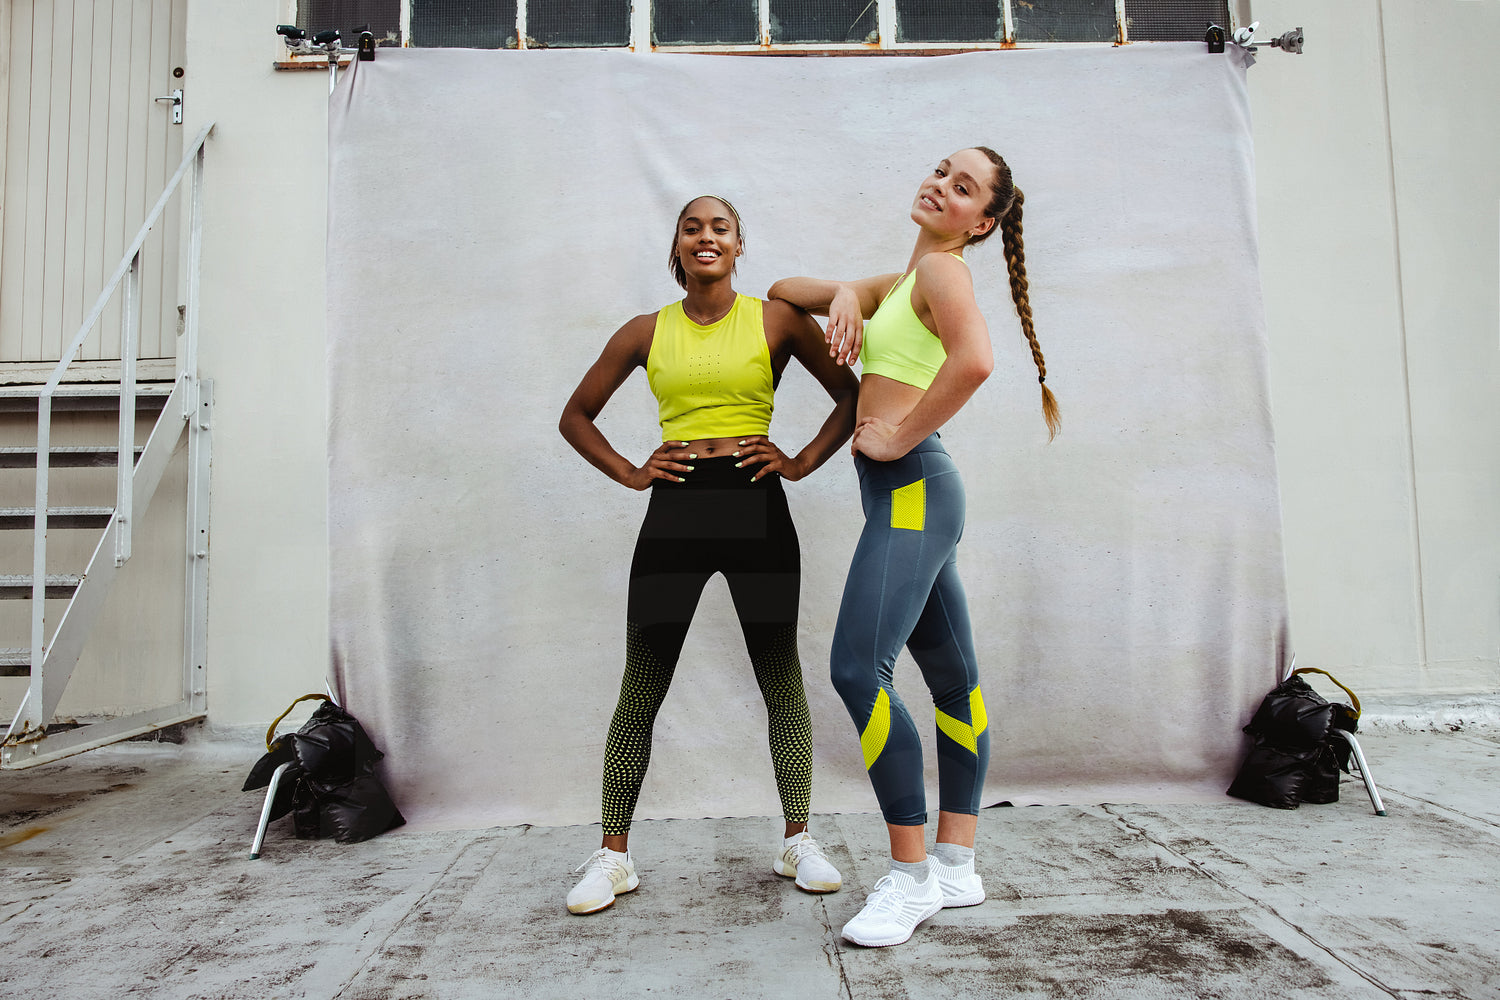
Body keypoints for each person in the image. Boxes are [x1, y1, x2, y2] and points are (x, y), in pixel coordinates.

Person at [768, 147, 1058, 947]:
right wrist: (847, 296)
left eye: (963, 188)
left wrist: (897, 436)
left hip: (914, 489)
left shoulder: (940, 272)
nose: (940, 186)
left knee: (857, 668)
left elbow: (976, 361)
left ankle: (910, 878)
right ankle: (956, 865)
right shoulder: (907, 278)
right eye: (940, 171)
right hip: (913, 497)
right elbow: (785, 291)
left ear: (983, 222)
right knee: (954, 681)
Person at [558, 195, 860, 915]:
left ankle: (797, 839)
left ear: (738, 245)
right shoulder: (644, 331)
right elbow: (575, 415)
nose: (706, 237)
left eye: (719, 227)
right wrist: (632, 472)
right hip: (677, 512)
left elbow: (850, 396)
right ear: (677, 246)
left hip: (757, 507)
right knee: (642, 683)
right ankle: (613, 856)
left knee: (780, 676)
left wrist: (800, 462)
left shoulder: (777, 319)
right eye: (691, 227)